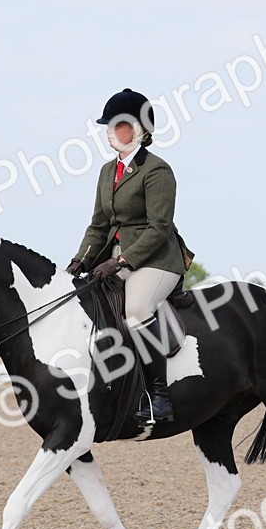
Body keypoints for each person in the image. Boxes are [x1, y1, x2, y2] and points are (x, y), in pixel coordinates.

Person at [66, 88, 194, 424]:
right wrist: (79, 262)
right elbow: (98, 225)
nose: (107, 131)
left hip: (157, 259)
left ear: (136, 129)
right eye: (106, 126)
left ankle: (159, 395)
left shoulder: (157, 170)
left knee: (136, 310)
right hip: (113, 257)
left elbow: (160, 226)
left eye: (114, 125)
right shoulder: (108, 171)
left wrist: (122, 261)